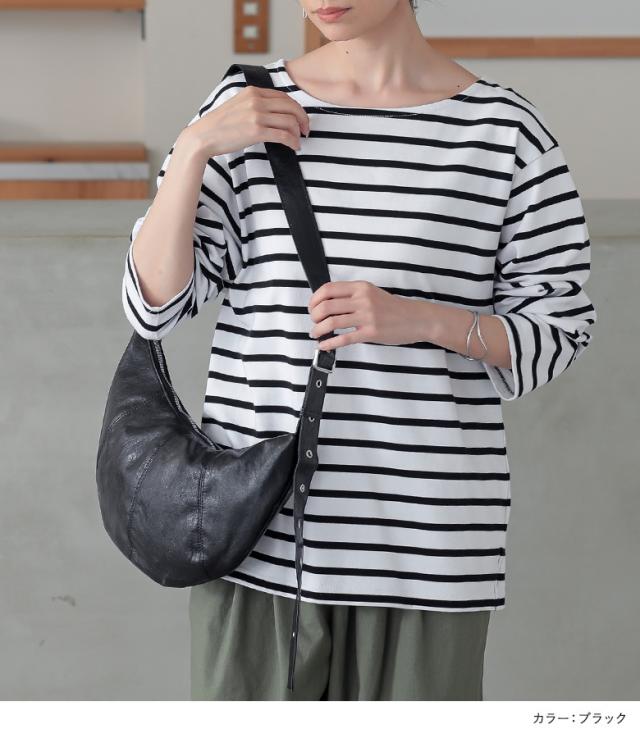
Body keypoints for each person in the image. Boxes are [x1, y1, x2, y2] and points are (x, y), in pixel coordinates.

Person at [121, 0, 597, 700]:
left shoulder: (503, 132)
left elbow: (558, 330)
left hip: (426, 552)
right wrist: (194, 146)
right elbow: (153, 305)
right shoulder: (248, 105)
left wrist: (420, 319)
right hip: (258, 541)